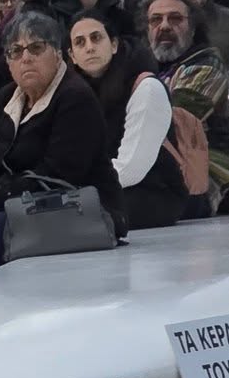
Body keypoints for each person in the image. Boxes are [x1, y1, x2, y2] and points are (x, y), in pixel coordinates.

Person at [0, 9, 124, 305]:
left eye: (36, 48)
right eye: (16, 51)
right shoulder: (7, 97)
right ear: (8, 62)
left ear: (57, 54)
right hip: (23, 204)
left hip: (80, 207)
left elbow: (58, 174)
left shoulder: (75, 97)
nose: (26, 58)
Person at [68, 12, 187, 230]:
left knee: (72, 217)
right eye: (80, 42)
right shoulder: (74, 96)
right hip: (104, 189)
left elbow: (131, 169)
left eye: (96, 38)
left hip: (154, 194)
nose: (89, 47)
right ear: (72, 56)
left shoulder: (146, 88)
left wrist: (72, 189)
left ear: (114, 45)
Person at [141, 0, 229, 212]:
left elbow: (172, 124)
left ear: (192, 27)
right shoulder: (145, 67)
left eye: (175, 19)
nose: (164, 26)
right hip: (158, 168)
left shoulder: (208, 66)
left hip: (207, 173)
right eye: (156, 20)